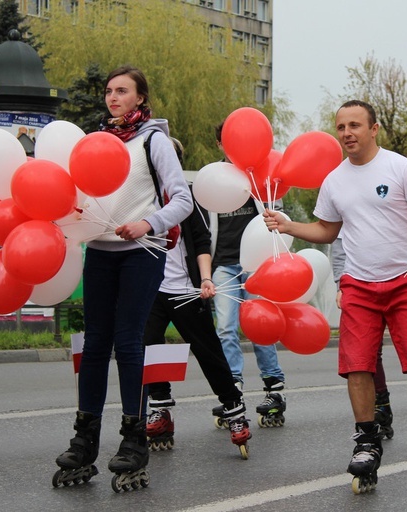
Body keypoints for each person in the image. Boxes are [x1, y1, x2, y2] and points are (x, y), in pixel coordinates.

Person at [263, 100, 407, 496]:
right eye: (341, 127)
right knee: (357, 367)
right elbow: (327, 230)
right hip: (359, 284)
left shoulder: (400, 167)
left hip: (406, 280)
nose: (347, 133)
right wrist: (290, 226)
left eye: (355, 125)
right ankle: (367, 441)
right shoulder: (334, 180)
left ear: (374, 129)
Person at [53, 65, 193, 491]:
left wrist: (148, 223)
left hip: (141, 252)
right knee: (95, 342)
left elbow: (184, 199)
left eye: (122, 91)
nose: (113, 97)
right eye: (109, 91)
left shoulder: (154, 140)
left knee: (129, 341)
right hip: (99, 250)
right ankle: (85, 438)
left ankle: (134, 439)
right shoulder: (94, 142)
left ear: (139, 97)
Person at [143, 184, 251, 458]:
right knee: (149, 347)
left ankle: (234, 410)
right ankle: (160, 409)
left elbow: (201, 240)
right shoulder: (137, 196)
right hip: (150, 290)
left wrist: (205, 278)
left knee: (208, 351)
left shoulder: (183, 197)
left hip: (186, 290)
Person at [209, 121, 287, 428]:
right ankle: (233, 389)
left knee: (259, 327)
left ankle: (274, 388)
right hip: (224, 265)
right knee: (225, 329)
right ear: (220, 145)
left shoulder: (259, 176)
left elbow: (278, 217)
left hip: (255, 264)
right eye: (226, 143)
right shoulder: (213, 178)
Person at [331, 233, 407, 439]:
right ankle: (381, 404)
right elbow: (339, 244)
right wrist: (340, 283)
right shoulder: (346, 201)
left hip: (403, 277)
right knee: (367, 352)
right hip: (361, 283)